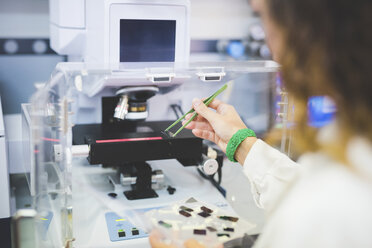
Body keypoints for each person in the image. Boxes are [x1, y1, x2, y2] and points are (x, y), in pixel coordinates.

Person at [150, 0, 372, 247]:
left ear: (309, 30)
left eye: (264, 18)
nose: (273, 51)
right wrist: (240, 142)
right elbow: (300, 189)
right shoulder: (348, 159)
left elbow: (316, 207)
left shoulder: (330, 205)